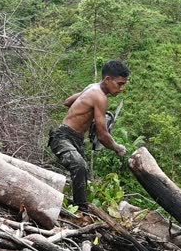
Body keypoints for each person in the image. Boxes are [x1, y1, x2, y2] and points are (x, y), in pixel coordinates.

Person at [48, 60, 129, 213]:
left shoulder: (92, 88)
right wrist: (118, 148)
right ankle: (81, 213)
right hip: (63, 137)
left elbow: (68, 102)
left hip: (76, 139)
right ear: (108, 80)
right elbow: (103, 135)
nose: (121, 89)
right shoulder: (100, 97)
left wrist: (86, 113)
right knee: (79, 166)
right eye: (119, 84)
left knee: (84, 176)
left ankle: (76, 206)